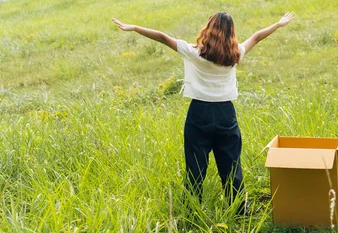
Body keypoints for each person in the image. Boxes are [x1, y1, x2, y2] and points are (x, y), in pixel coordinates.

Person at [112, 11, 294, 207]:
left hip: (199, 113)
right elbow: (257, 36)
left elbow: (163, 37)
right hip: (226, 114)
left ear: (209, 29)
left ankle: (191, 211)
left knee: (195, 167)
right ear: (231, 33)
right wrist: (278, 24)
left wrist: (135, 28)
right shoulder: (236, 53)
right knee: (231, 166)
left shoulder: (194, 52)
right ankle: (240, 209)